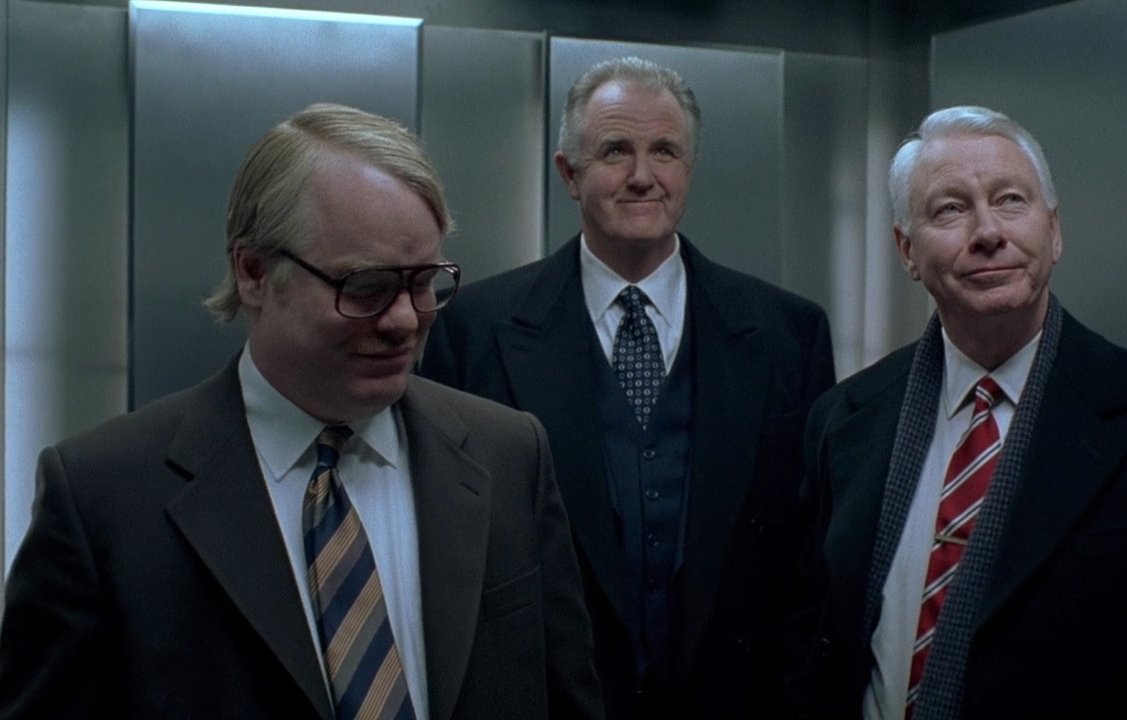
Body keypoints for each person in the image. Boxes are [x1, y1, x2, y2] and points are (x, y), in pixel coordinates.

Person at [0, 102, 603, 720]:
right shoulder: (105, 495)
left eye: (423, 283)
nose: (403, 319)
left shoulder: (507, 455)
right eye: (365, 287)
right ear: (254, 273)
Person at [798, 105, 1127, 719]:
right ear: (907, 250)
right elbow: (810, 649)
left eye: (1011, 200)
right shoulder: (844, 419)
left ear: (1054, 231)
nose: (988, 231)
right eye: (950, 209)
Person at [421, 57, 835, 718]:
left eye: (664, 151)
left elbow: (807, 560)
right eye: (616, 151)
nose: (643, 175)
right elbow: (445, 555)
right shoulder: (472, 330)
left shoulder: (789, 332)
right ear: (569, 173)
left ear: (689, 168)